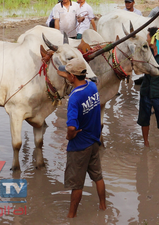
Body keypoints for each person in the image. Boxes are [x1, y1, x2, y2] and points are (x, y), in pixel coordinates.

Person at [59, 59, 105, 218]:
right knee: (97, 176)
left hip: (79, 146)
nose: (66, 76)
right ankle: (103, 206)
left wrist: (69, 136)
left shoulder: (74, 98)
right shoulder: (92, 86)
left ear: (72, 76)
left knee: (77, 184)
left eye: (67, 74)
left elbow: (72, 127)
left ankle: (71, 216)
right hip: (94, 140)